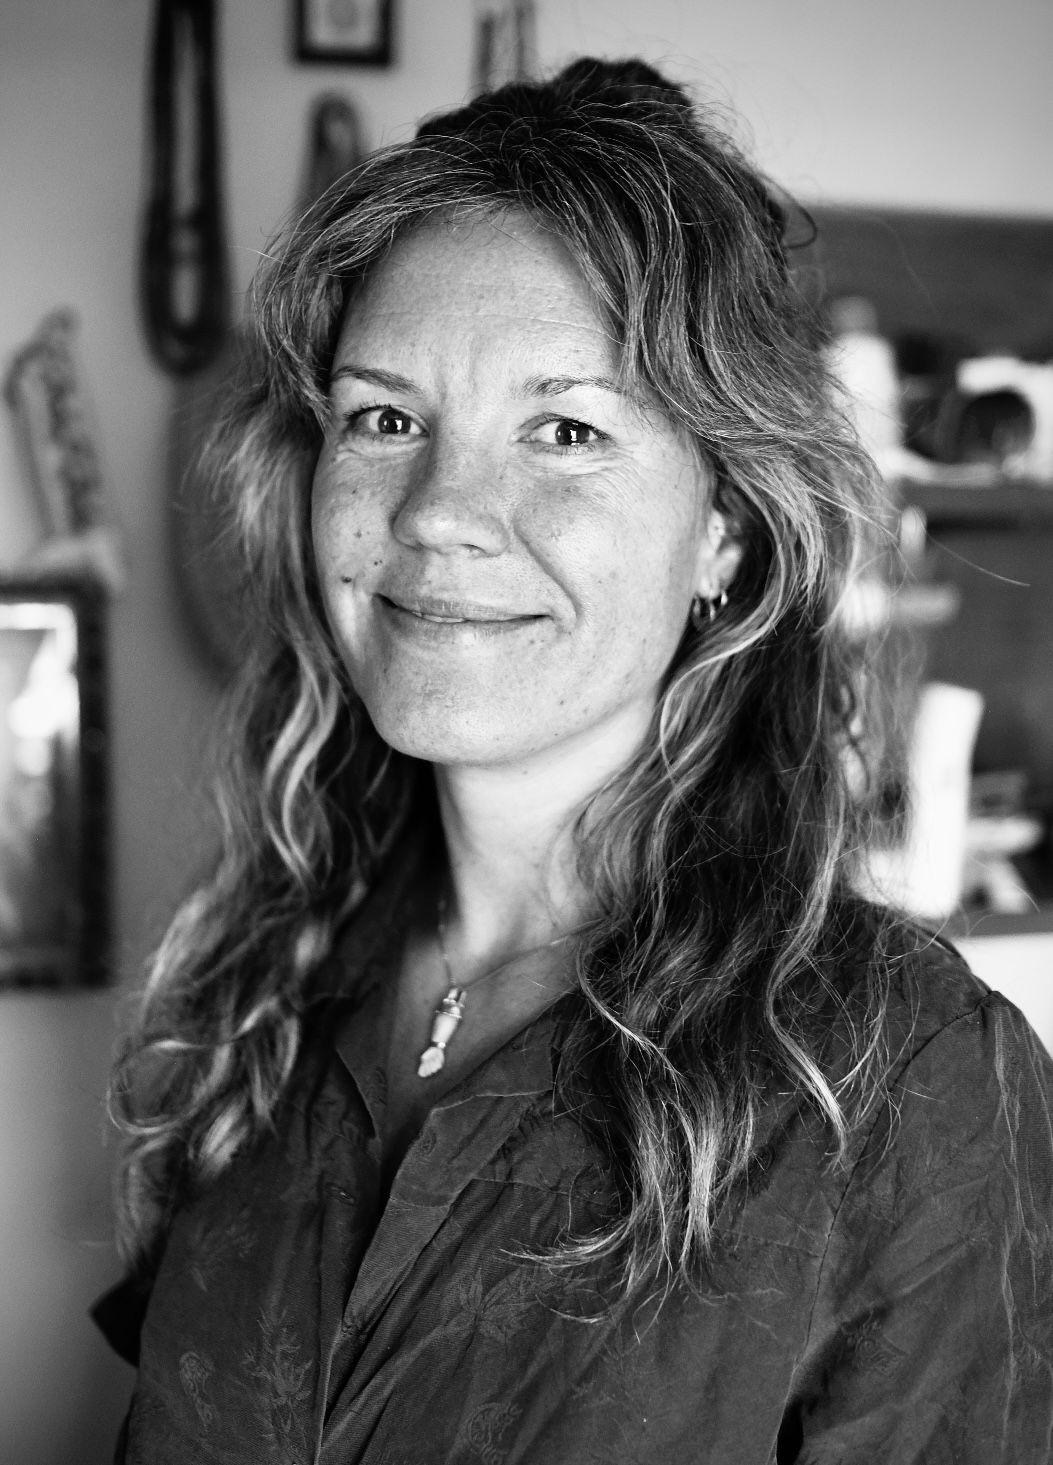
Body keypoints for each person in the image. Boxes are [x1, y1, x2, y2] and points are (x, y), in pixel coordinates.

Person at [97, 57, 1053, 1463]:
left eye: (565, 430)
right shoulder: (250, 986)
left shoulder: (901, 1080)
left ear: (726, 529)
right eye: (384, 418)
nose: (439, 512)